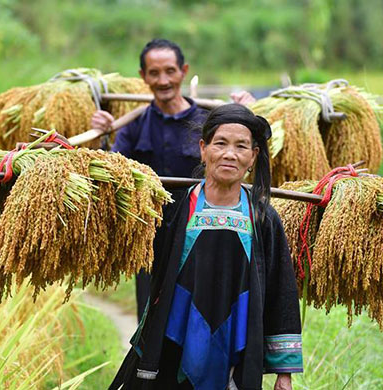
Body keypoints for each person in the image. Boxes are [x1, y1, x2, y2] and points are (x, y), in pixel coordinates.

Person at [109, 104, 302, 390]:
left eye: (241, 146)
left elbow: (280, 290)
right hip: (173, 341)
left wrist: (283, 372)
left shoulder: (262, 218)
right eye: (220, 143)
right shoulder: (173, 210)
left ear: (253, 156)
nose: (229, 154)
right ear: (203, 149)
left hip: (237, 344)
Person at [91, 39, 256, 320]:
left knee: (202, 313)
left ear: (183, 71)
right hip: (151, 237)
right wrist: (99, 134)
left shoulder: (210, 122)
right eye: (154, 73)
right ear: (143, 76)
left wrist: (247, 113)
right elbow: (109, 170)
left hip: (204, 232)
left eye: (170, 71)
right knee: (151, 315)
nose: (163, 80)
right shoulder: (133, 126)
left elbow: (246, 155)